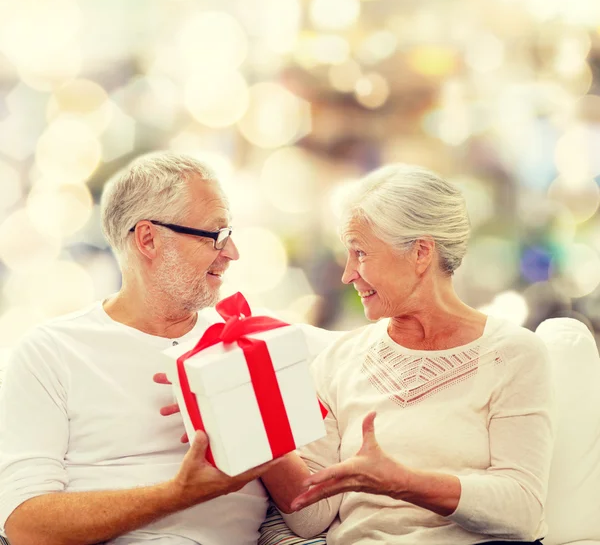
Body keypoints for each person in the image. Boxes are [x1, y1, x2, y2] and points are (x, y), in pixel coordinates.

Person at [0, 152, 338, 545]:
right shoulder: (51, 351)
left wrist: (248, 416)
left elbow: (308, 517)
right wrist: (179, 494)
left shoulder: (242, 340)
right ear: (148, 239)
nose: (232, 253)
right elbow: (25, 526)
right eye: (216, 235)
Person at [266, 165, 555, 545]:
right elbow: (309, 517)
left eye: (360, 252)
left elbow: (522, 508)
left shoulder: (514, 354)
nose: (347, 274)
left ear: (421, 252)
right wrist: (255, 429)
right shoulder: (337, 361)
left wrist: (403, 483)